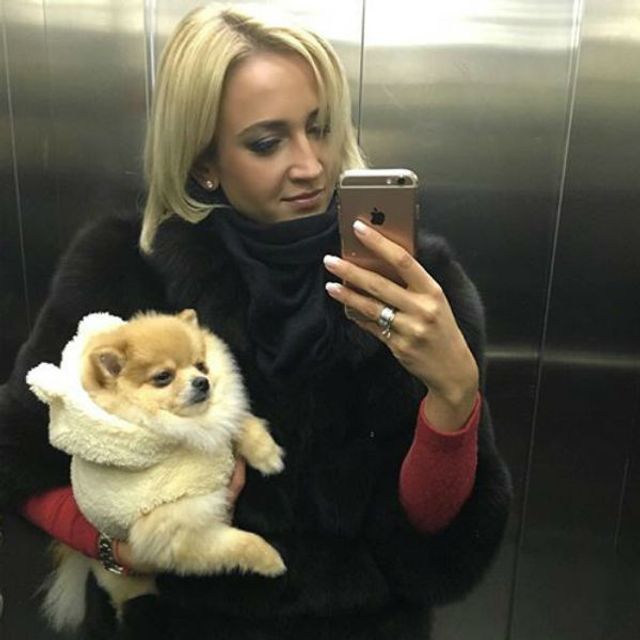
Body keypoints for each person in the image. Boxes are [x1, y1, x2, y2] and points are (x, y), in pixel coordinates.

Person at [0, 5, 511, 639]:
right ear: (204, 161)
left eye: (321, 128)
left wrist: (454, 396)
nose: (311, 165)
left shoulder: (416, 286)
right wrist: (114, 548)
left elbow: (432, 543)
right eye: (267, 142)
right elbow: (17, 456)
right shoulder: (124, 271)